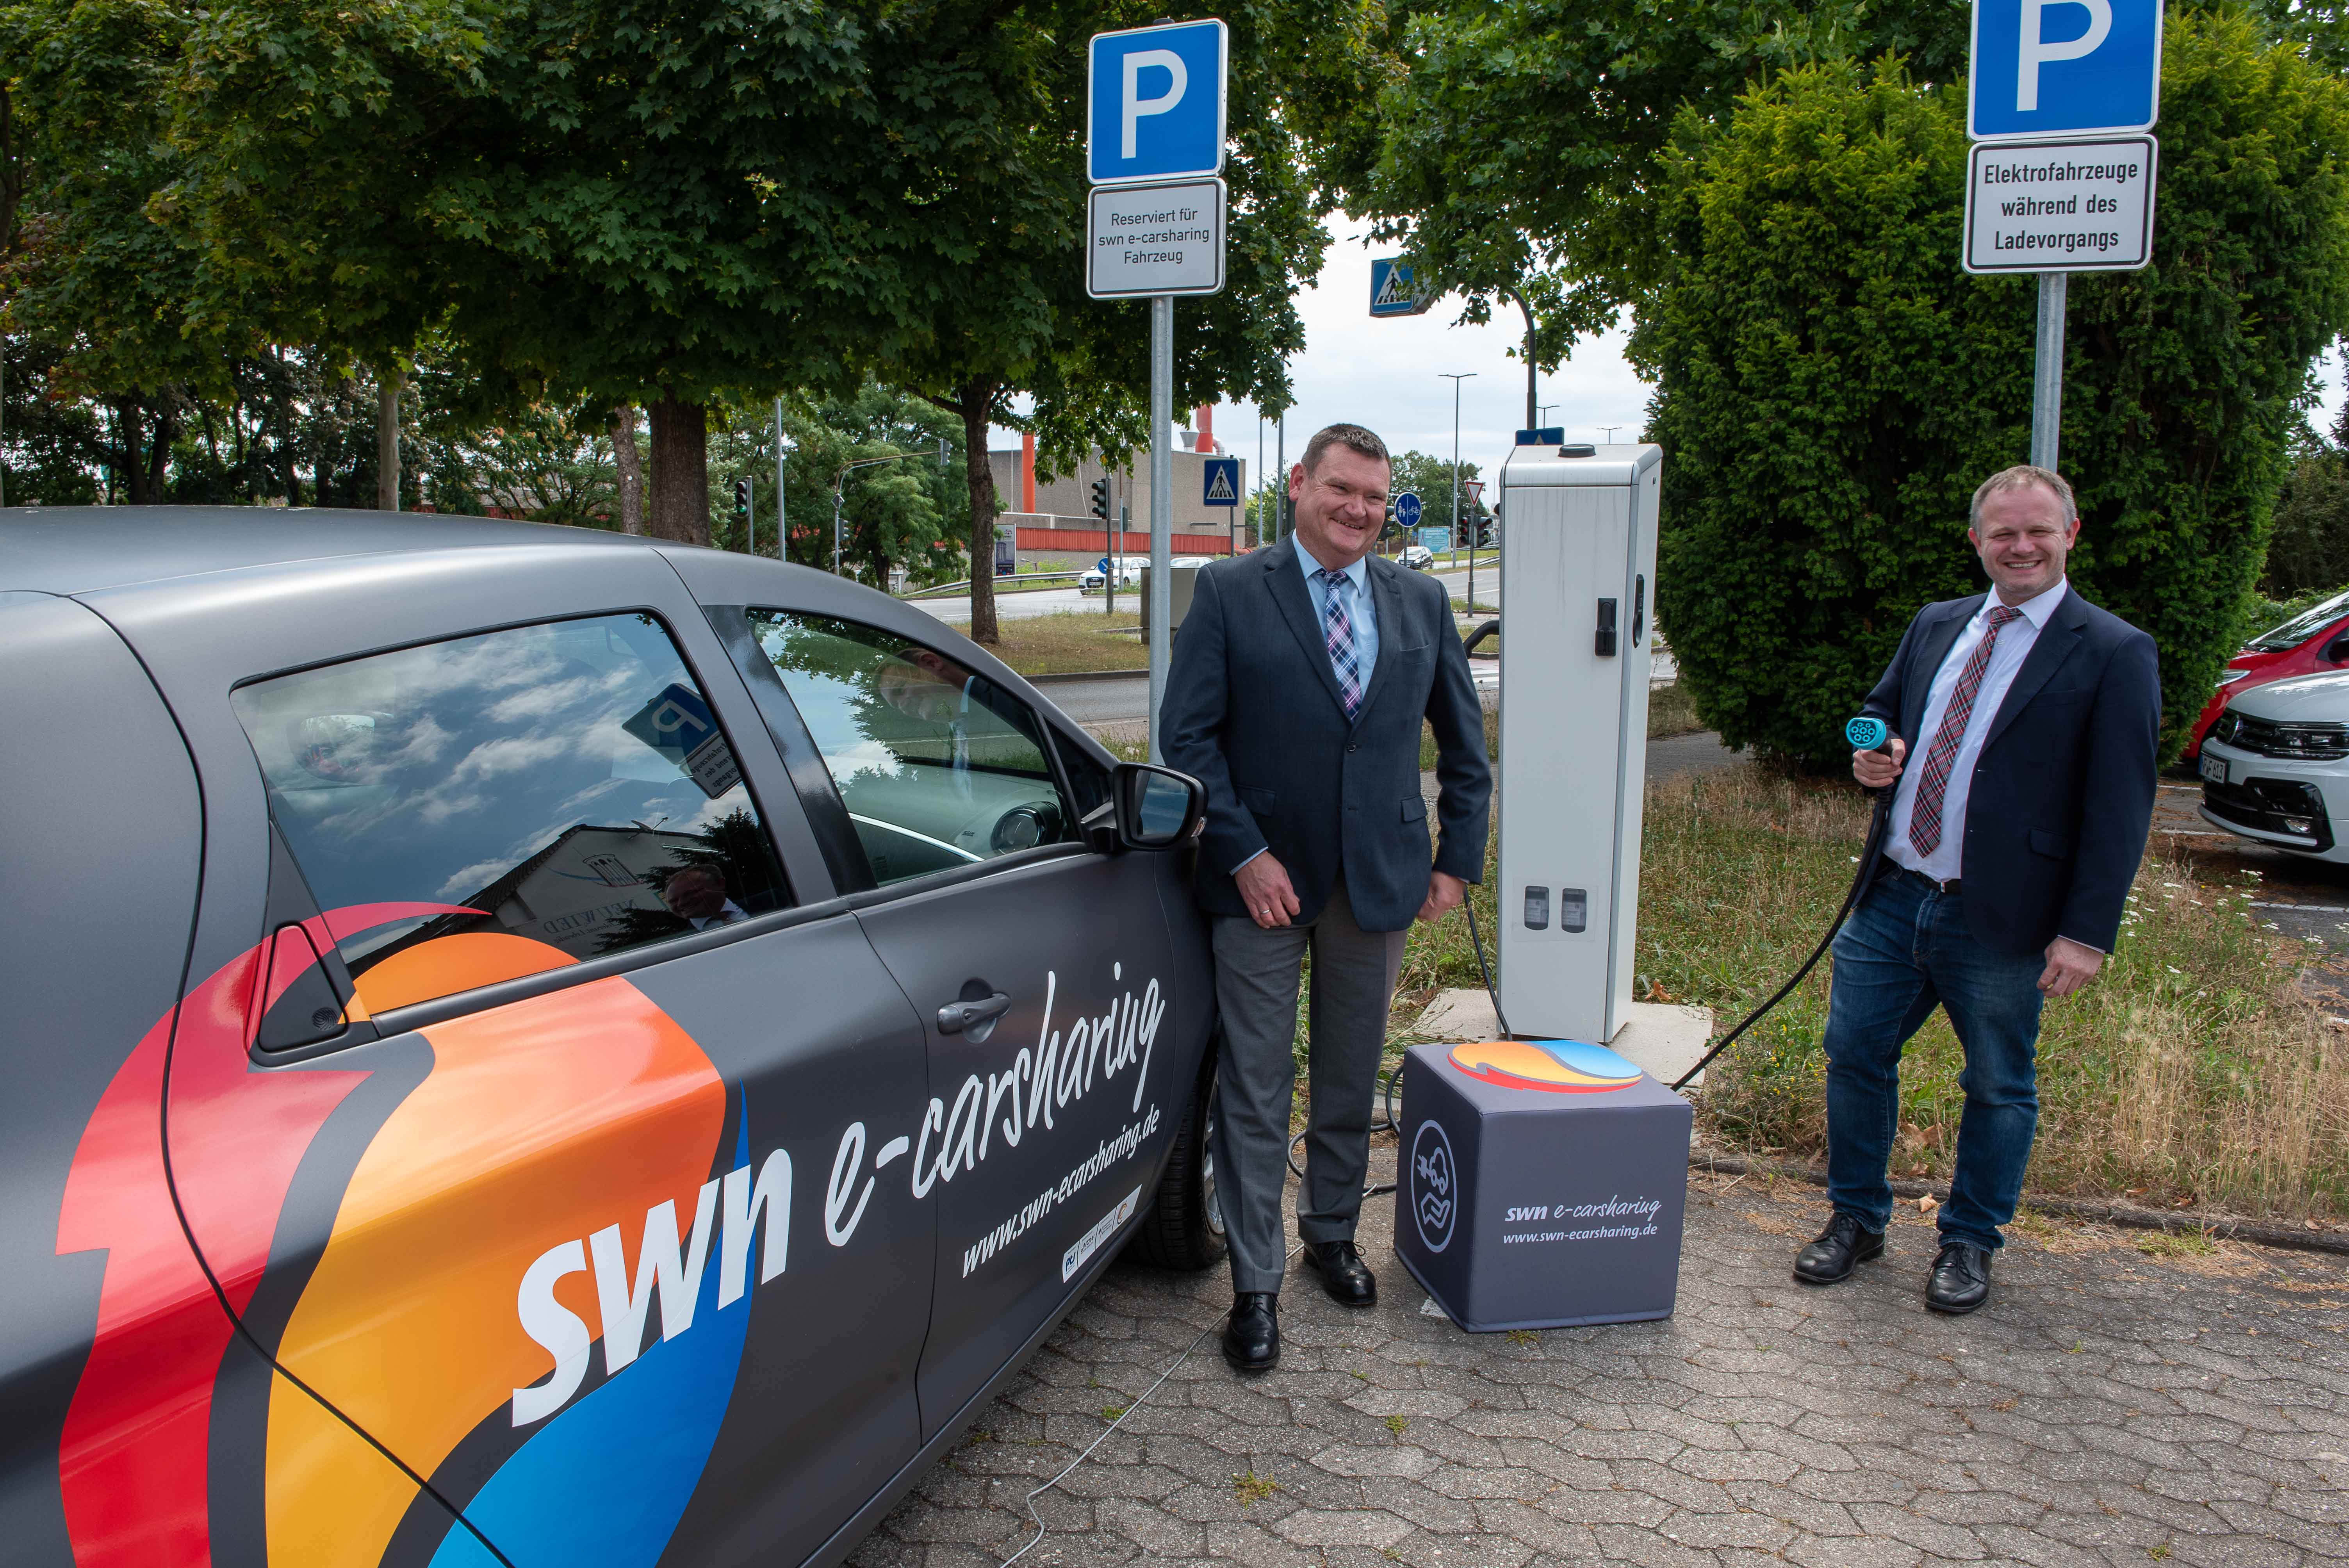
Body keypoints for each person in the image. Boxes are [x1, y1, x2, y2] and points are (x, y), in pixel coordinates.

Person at [1162, 422, 1492, 1373]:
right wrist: (1245, 853)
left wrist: (1453, 859)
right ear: (1300, 483)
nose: (1358, 511)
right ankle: (1255, 1286)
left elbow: (1465, 750)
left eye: (1374, 498)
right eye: (1342, 490)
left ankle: (1332, 1234)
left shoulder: (1420, 600)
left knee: (1350, 1074)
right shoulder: (1228, 590)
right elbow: (1187, 741)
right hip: (1259, 887)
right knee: (1257, 1087)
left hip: (1376, 882)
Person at [1795, 464, 2159, 1314]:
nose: (2020, 546)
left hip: (2001, 916)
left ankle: (1968, 1239)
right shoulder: (1936, 623)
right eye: (2003, 533)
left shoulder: (2112, 650)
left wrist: (2085, 932)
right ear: (1976, 541)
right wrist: (1869, 749)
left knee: (1997, 1083)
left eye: (2037, 530)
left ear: (2070, 534)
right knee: (1853, 1057)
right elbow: (1872, 711)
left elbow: (2119, 808)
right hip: (1891, 894)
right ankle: (1856, 1219)